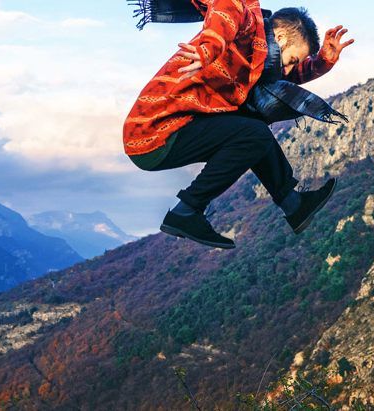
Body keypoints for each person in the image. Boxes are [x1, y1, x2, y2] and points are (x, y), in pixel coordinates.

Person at [123, 0, 354, 249]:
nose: (289, 71)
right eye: (293, 60)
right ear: (282, 37)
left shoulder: (257, 61)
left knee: (254, 129)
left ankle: (292, 204)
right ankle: (187, 211)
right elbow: (225, 9)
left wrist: (321, 63)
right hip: (154, 132)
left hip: (176, 129)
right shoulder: (246, 24)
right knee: (252, 133)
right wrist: (208, 48)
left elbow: (281, 75)